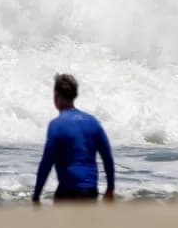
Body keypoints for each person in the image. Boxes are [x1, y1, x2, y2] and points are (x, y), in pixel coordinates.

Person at [33, 73, 116, 204]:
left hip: (67, 192)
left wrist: (36, 196)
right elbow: (108, 158)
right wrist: (110, 188)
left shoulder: (56, 124)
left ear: (56, 95)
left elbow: (46, 162)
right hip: (90, 192)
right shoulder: (93, 122)